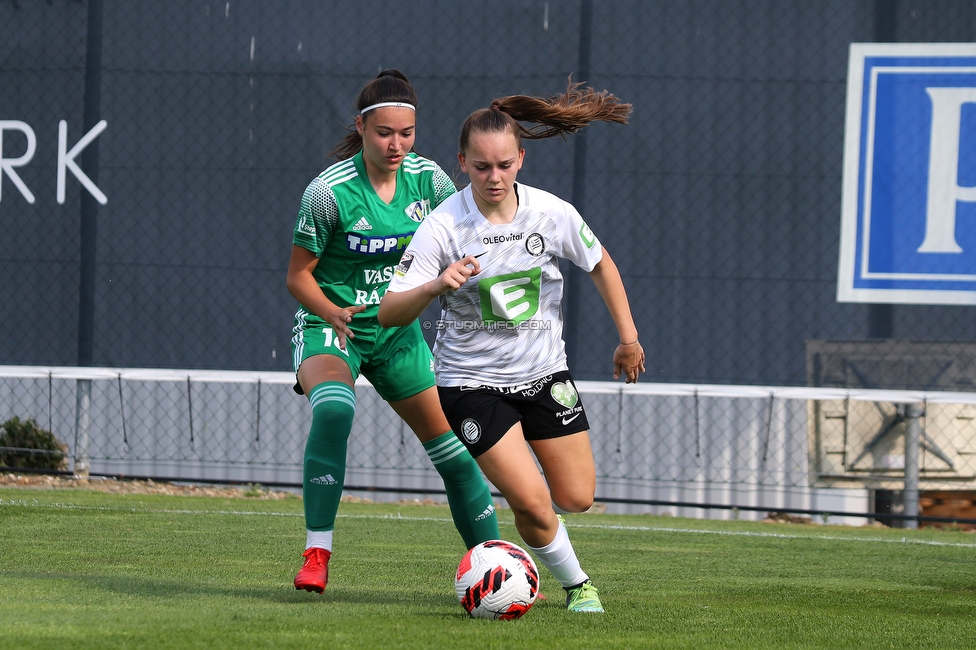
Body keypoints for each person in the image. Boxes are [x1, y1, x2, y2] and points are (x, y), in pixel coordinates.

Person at [378, 81, 645, 613]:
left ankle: (542, 531)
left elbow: (601, 263)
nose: (493, 177)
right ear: (462, 163)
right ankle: (577, 585)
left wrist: (628, 339)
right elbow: (389, 311)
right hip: (469, 385)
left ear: (521, 157)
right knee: (532, 501)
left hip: (545, 375)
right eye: (481, 167)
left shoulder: (552, 213)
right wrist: (436, 284)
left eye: (503, 164)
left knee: (576, 498)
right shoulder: (443, 226)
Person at [286, 70, 500, 594]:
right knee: (335, 408)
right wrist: (333, 312)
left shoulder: (430, 182)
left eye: (406, 133)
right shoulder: (328, 193)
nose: (397, 143)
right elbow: (297, 277)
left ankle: (496, 567)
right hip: (332, 326)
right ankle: (317, 552)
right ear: (361, 128)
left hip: (399, 334)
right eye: (385, 133)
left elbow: (464, 243)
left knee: (454, 450)